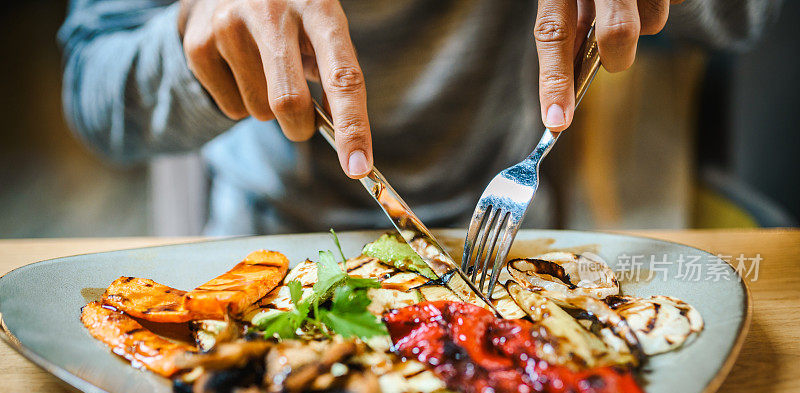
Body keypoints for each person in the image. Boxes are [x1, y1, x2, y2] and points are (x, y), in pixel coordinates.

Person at [59, 0, 780, 235]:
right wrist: (194, 39)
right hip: (265, 244)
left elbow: (745, 17)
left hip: (517, 246)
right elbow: (93, 93)